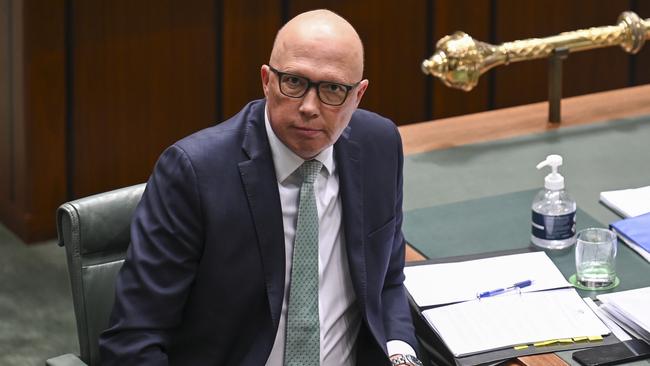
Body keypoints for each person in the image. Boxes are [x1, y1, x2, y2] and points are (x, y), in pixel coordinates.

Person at [99, 9, 422, 366]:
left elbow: (388, 280)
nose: (309, 107)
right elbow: (133, 341)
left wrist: (401, 354)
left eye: (333, 89)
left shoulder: (379, 145)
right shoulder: (194, 173)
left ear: (357, 95)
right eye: (294, 82)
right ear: (267, 80)